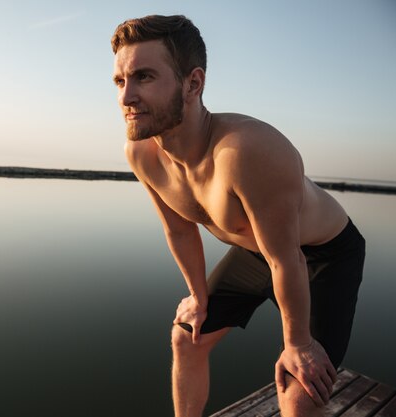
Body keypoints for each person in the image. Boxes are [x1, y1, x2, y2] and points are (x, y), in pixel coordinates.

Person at [111, 15, 365, 417]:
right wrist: (197, 296)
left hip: (321, 254)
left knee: (298, 392)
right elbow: (179, 230)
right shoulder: (142, 153)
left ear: (193, 83)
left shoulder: (247, 151)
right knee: (186, 338)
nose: (126, 97)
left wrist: (297, 344)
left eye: (143, 77)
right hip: (258, 253)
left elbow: (289, 259)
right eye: (119, 81)